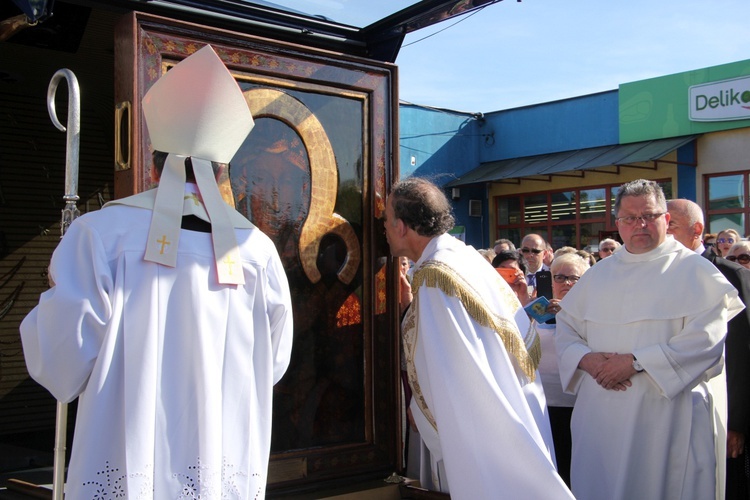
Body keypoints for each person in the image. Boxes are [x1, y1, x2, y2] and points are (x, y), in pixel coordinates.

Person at [20, 46, 294, 498]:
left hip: (123, 466)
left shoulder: (99, 235)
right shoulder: (257, 252)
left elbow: (58, 363)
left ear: (152, 162)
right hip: (221, 470)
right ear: (222, 171)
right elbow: (274, 363)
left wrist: (52, 299)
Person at [555, 179, 743, 500]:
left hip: (667, 418)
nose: (639, 224)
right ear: (617, 224)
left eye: (649, 216)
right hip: (601, 419)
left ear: (666, 220)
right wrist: (587, 359)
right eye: (629, 218)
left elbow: (705, 341)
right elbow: (566, 328)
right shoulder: (598, 275)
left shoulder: (696, 272)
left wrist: (635, 362)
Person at [385, 177, 572, 499]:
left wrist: (422, 409)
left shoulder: (434, 276)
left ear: (401, 226)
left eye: (386, 221)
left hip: (479, 419)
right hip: (511, 399)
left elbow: (448, 366)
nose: (384, 230)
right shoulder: (463, 257)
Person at [668, 198, 750, 500]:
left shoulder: (731, 275)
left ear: (697, 229)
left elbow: (741, 352)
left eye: (671, 226)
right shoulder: (657, 275)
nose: (661, 234)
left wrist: (736, 423)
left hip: (719, 411)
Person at [535, 252, 590, 486]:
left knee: (575, 467)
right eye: (559, 277)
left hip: (578, 403)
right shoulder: (536, 310)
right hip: (543, 404)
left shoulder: (592, 312)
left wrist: (567, 314)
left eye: (573, 278)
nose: (566, 283)